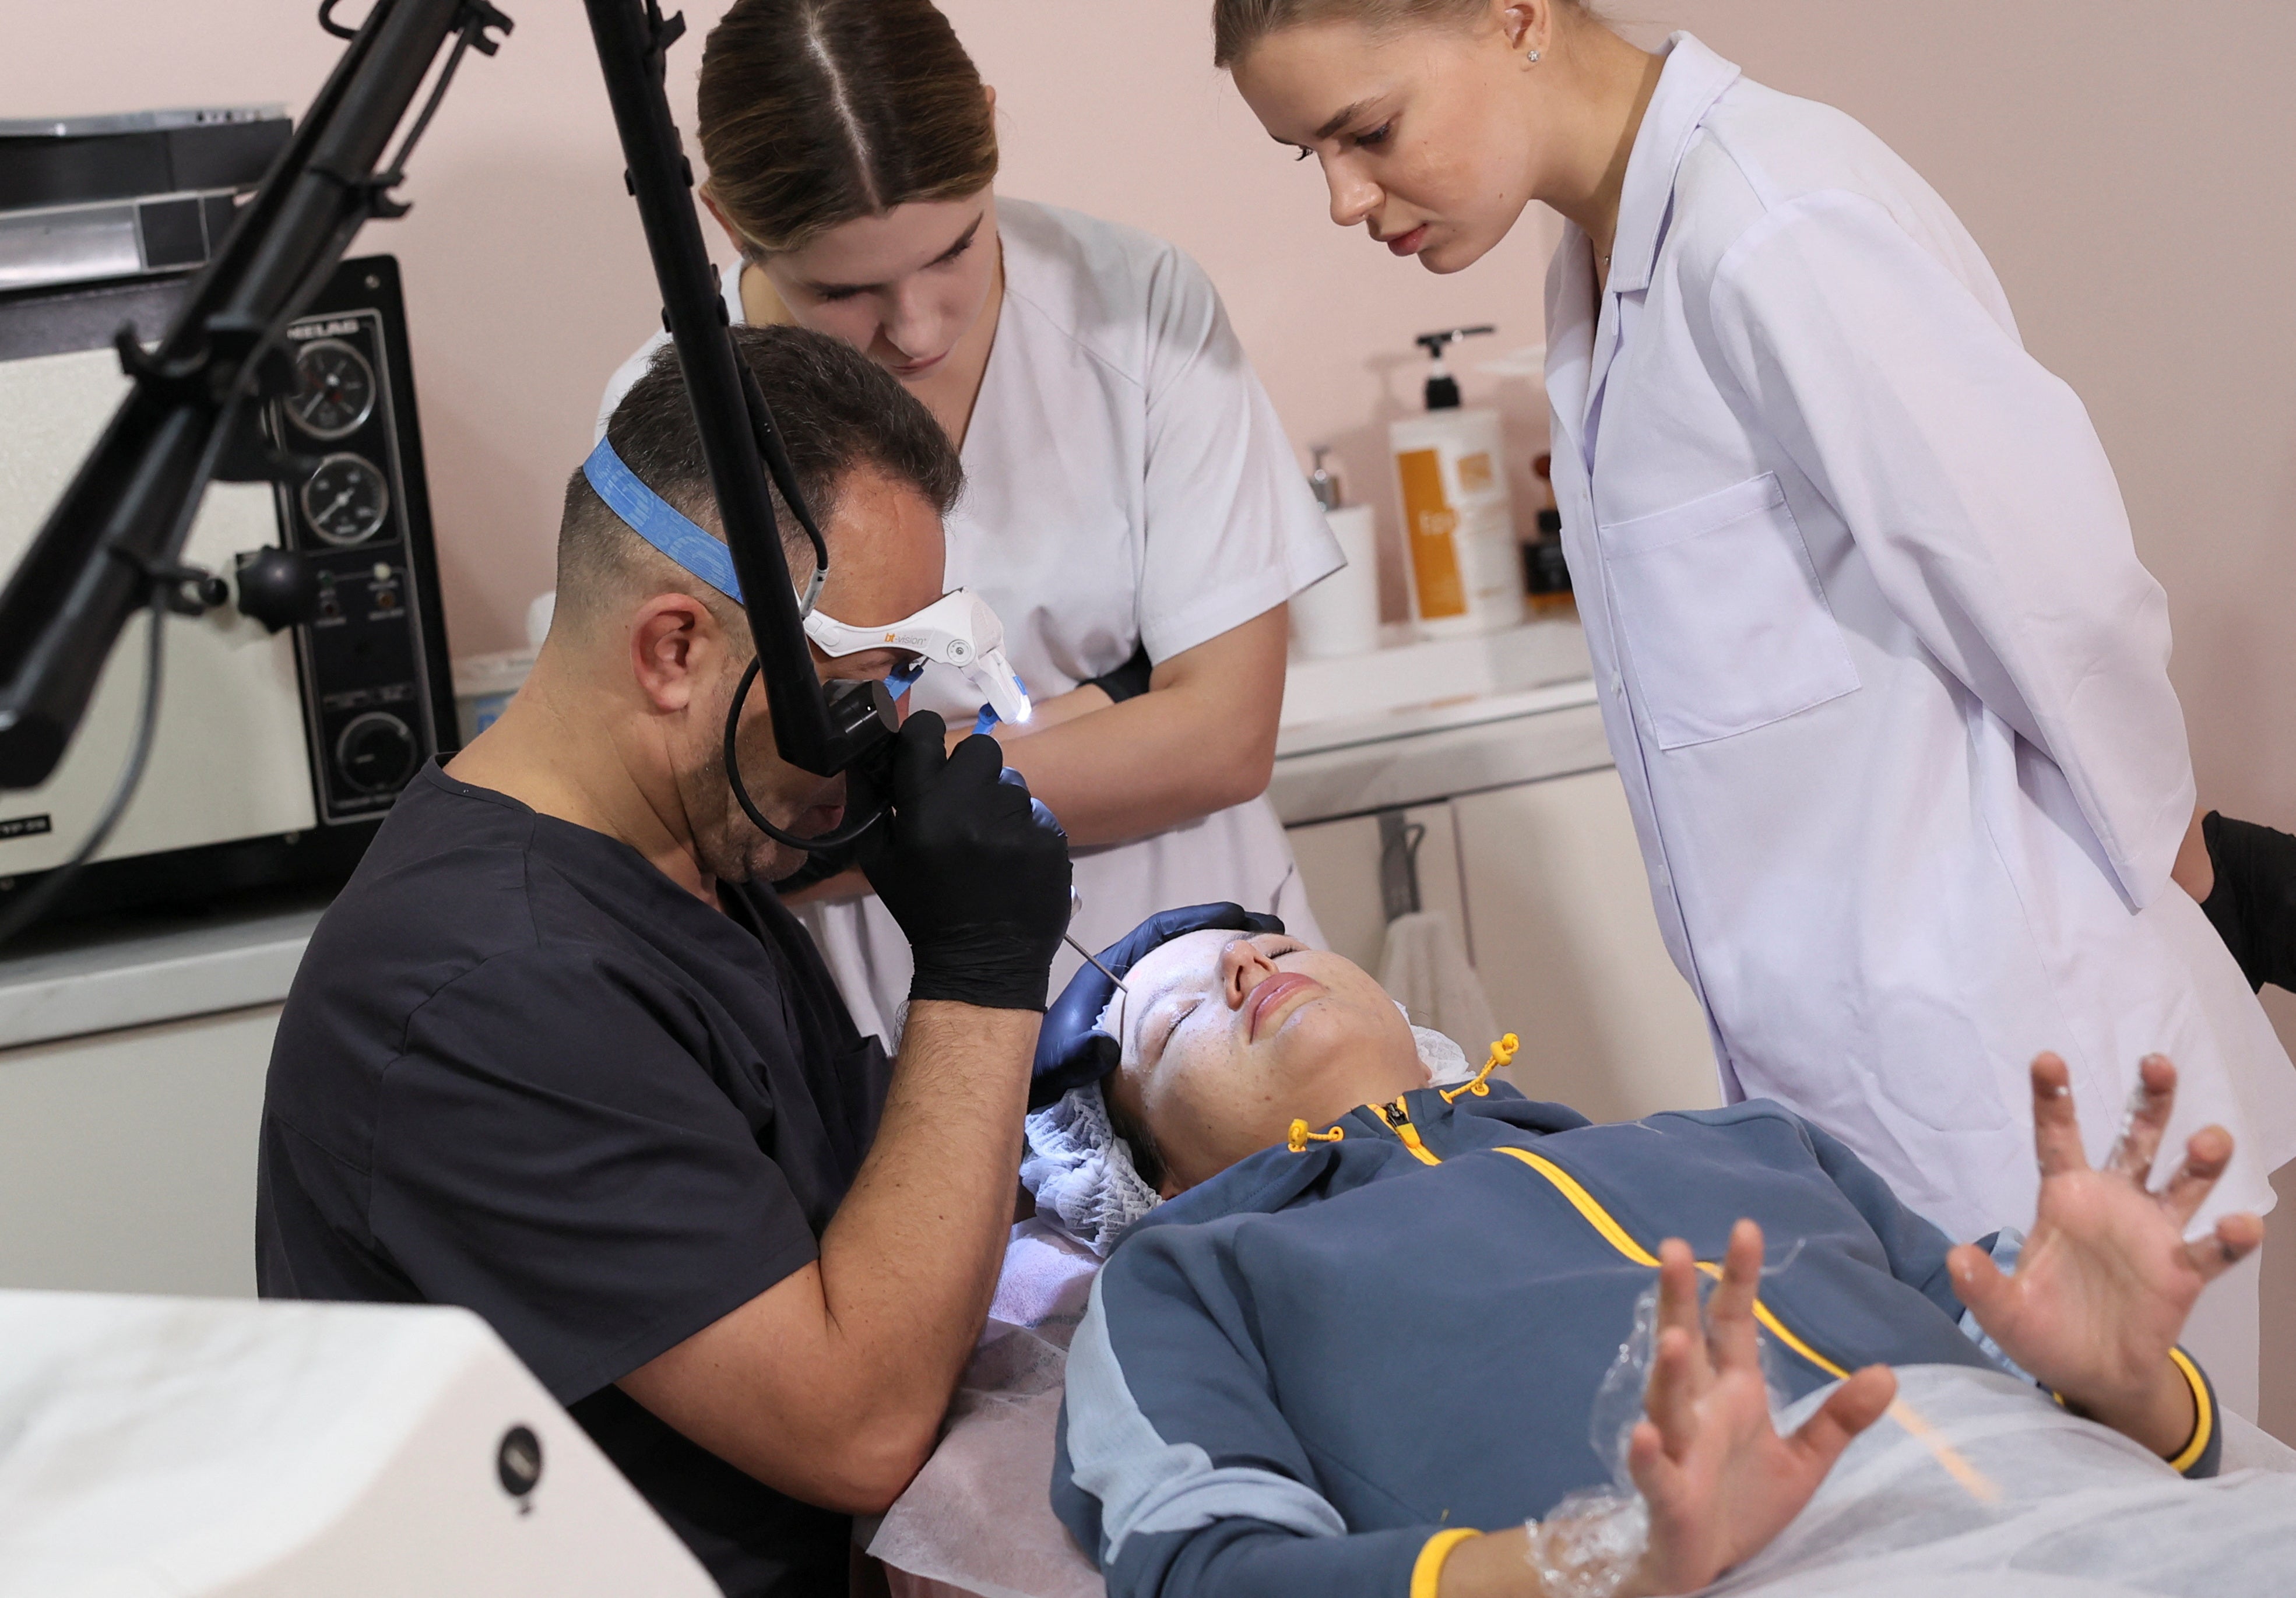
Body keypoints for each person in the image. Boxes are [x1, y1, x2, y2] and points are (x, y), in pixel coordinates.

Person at [1212, 0, 2296, 1400]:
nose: (1349, 197)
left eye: (1365, 131)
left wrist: (2186, 865)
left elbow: (2053, 594)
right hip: (1868, 1104)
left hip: (2036, 1096)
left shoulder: (1773, 219)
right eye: (1311, 157)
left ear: (1513, 17)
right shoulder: (1600, 261)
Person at [255, 325, 1073, 1596]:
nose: (889, 737)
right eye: (857, 693)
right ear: (674, 650)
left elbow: (883, 1237)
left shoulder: (684, 869)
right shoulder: (495, 986)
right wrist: (978, 975)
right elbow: (857, 1426)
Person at [1036, 910, 2287, 1598]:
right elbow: (1202, 1572)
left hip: (2120, 1520)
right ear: (1150, 1170)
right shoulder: (1187, 1277)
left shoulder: (1746, 1145)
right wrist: (1601, 1559)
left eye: (1270, 942)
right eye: (1177, 1010)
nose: (1249, 964)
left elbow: (2154, 1459)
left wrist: (2125, 1387)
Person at [593, 0, 1342, 1047]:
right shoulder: (677, 413)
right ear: (725, 219)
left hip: (1213, 983)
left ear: (989, 131)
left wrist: (886, 779)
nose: (917, 327)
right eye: (844, 288)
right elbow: (738, 828)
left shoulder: (1134, 304)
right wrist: (1106, 703)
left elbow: (1222, 741)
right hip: (888, 1022)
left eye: (955, 249)